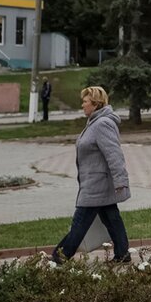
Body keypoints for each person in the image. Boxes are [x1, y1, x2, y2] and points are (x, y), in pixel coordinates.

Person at [52, 86, 131, 263]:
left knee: (80, 223)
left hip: (96, 185)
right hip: (95, 183)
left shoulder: (102, 124)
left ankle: (59, 258)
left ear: (95, 104)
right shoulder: (94, 122)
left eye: (85, 102)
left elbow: (114, 154)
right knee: (112, 218)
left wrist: (121, 181)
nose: (82, 105)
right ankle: (123, 253)